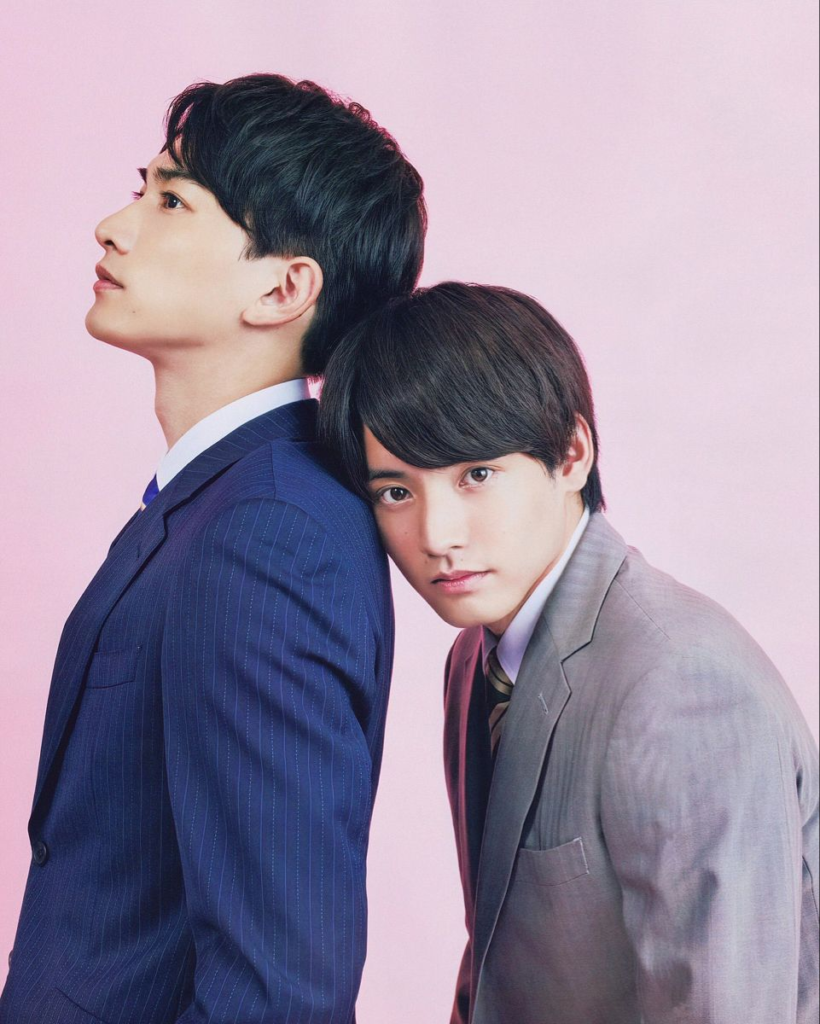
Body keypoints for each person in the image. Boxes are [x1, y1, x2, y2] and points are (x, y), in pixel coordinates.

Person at [0, 74, 425, 1024]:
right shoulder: (222, 501)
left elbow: (281, 992)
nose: (112, 226)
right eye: (141, 188)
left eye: (172, 201)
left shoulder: (266, 538)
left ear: (282, 287)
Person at [318, 282, 820, 1024]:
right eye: (396, 492)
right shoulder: (476, 660)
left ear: (573, 454)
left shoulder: (678, 683)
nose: (436, 535)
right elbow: (497, 955)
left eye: (476, 475)